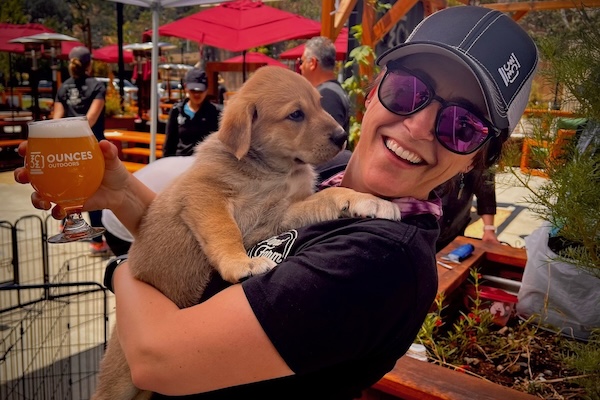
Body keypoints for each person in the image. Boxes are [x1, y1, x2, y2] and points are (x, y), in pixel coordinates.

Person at [15, 6, 538, 398]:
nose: (419, 126)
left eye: (462, 125)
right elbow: (211, 230)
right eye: (409, 89)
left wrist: (121, 268)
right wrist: (122, 194)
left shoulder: (381, 261)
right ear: (376, 88)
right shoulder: (328, 176)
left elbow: (156, 358)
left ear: (477, 158)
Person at [53, 45, 109, 256]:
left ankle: (69, 225)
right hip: (92, 148)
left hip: (67, 148)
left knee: (71, 189)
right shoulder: (97, 86)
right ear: (90, 64)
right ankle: (96, 242)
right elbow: (91, 119)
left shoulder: (63, 88)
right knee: (95, 191)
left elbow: (56, 120)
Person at [435, 167, 501, 252]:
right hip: (421, 228)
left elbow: (486, 193)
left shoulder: (479, 158)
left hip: (454, 228)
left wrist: (489, 229)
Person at [162, 68, 221, 157]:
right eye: (193, 90)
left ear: (207, 89)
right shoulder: (177, 111)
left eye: (200, 90)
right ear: (186, 87)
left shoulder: (215, 112)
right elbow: (169, 143)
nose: (197, 94)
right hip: (180, 161)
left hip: (204, 163)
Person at [300, 36, 350, 133]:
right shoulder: (333, 91)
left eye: (302, 61)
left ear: (312, 63)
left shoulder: (326, 95)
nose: (301, 67)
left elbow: (327, 139)